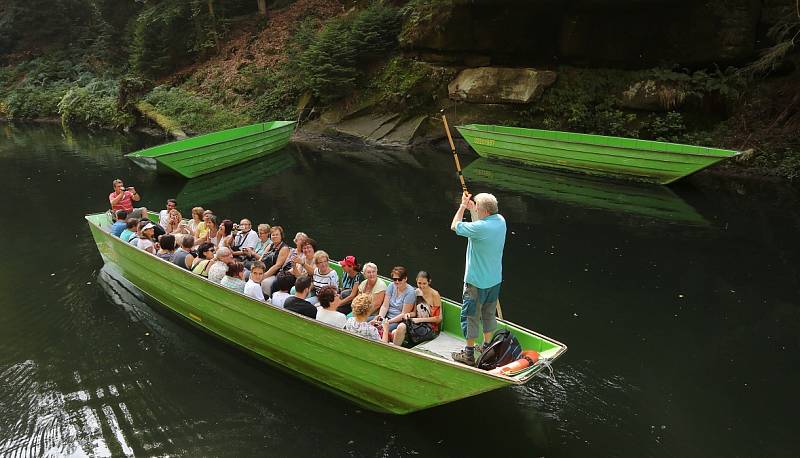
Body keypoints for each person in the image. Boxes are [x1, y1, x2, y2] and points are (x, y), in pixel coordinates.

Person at [450, 192, 506, 366]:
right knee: (489, 314)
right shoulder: (501, 221)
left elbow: (455, 226)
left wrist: (462, 206)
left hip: (475, 283)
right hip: (494, 280)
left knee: (470, 316)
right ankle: (487, 349)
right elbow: (480, 222)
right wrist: (473, 209)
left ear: (485, 212)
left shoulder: (481, 228)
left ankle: (468, 355)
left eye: (478, 209)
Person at [392, 271, 442, 347]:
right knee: (398, 329)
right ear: (416, 281)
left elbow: (438, 319)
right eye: (419, 283)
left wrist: (419, 320)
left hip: (431, 328)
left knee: (398, 331)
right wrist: (408, 314)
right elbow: (415, 313)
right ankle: (395, 349)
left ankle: (396, 349)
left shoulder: (434, 295)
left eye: (424, 283)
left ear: (429, 282)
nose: (421, 286)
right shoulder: (416, 292)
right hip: (417, 324)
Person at [371, 266, 415, 332]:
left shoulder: (410, 292)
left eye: (399, 279)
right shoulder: (391, 285)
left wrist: (387, 322)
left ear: (405, 279)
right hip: (386, 317)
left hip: (397, 321)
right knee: (366, 322)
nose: (397, 281)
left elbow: (403, 314)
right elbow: (385, 306)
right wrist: (380, 318)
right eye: (395, 279)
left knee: (378, 330)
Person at [260, 226, 291, 294]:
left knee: (265, 282)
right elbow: (261, 259)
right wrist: (256, 269)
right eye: (273, 235)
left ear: (281, 236)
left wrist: (264, 275)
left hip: (275, 274)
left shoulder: (284, 248)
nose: (274, 236)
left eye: (277, 235)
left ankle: (267, 300)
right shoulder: (270, 245)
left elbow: (277, 266)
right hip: (264, 270)